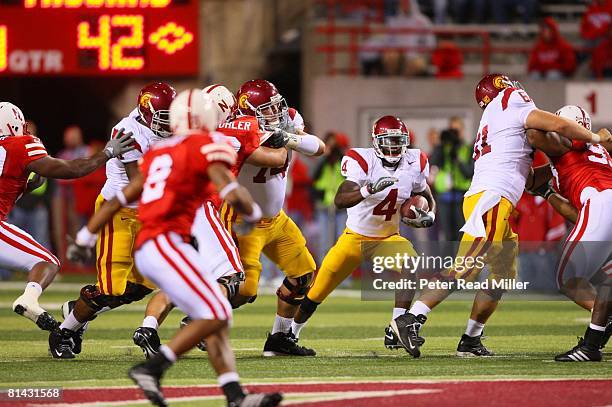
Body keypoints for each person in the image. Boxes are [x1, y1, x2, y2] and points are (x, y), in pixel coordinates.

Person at [68, 89, 282, 407]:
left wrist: (86, 235)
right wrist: (251, 214)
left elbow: (123, 196)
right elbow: (232, 190)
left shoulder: (158, 151)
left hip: (156, 245)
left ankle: (235, 395)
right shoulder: (206, 145)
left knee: (213, 314)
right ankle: (152, 368)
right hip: (164, 243)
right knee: (219, 309)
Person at [391, 74, 612, 358]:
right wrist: (595, 138)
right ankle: (411, 318)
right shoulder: (510, 100)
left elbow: (532, 173)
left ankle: (471, 339)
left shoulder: (495, 117)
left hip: (498, 197)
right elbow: (546, 128)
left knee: (503, 275)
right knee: (468, 266)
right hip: (492, 197)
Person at [127, 84, 289, 358]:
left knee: (174, 281)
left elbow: (131, 189)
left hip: (165, 217)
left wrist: (86, 235)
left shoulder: (163, 145)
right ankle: (198, 324)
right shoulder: (219, 139)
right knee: (232, 277)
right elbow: (260, 166)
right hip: (203, 211)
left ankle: (148, 326)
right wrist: (250, 213)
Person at [52, 82, 177, 359]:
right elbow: (139, 183)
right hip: (118, 211)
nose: (170, 124)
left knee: (141, 286)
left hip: (147, 211)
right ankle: (66, 330)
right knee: (110, 288)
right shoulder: (129, 130)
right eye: (164, 117)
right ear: (146, 113)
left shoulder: (165, 126)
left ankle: (78, 308)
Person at [292, 115, 436, 351]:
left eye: (398, 141)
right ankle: (291, 333)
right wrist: (368, 189)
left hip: (388, 238)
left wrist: (430, 215)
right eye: (388, 141)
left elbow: (426, 194)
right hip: (355, 238)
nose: (394, 146)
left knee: (410, 265)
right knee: (316, 292)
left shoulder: (416, 160)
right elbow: (340, 200)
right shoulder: (361, 159)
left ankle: (396, 327)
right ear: (376, 142)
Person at [0, 101, 134, 333]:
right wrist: (107, 153)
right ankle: (29, 300)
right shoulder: (19, 144)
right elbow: (72, 169)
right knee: (47, 262)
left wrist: (26, 186)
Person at [220, 79, 326, 356]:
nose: (275, 112)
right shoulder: (238, 130)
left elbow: (319, 147)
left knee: (303, 274)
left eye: (275, 105)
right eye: (266, 109)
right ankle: (198, 318)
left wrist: (290, 137)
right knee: (245, 289)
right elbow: (275, 159)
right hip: (244, 220)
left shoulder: (286, 119)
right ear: (248, 112)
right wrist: (283, 141)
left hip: (276, 218)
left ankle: (279, 338)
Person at [526, 105, 612, 361]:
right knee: (605, 276)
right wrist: (546, 192)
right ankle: (598, 330)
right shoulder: (594, 154)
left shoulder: (573, 142)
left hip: (600, 203)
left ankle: (593, 342)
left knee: (568, 279)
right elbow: (579, 215)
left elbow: (533, 134)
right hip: (600, 207)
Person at [430, 117, 473, 241]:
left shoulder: (467, 148)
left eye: (457, 131)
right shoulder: (443, 148)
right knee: (447, 236)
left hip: (461, 196)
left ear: (462, 131)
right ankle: (448, 260)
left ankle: (462, 260)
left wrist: (457, 159)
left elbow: (469, 172)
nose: (454, 134)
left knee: (462, 233)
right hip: (444, 197)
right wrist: (441, 145)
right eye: (452, 130)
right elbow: (433, 162)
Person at [313, 132, 350, 263]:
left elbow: (350, 179)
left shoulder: (343, 161)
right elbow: (313, 176)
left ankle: (343, 274)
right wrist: (325, 156)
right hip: (324, 205)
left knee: (342, 240)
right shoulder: (322, 161)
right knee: (324, 241)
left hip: (341, 206)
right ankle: (324, 270)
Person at [383, 0, 436, 77]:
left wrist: (422, 52)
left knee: (417, 64)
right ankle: (393, 80)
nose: (404, 6)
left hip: (417, 54)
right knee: (390, 57)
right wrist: (395, 48)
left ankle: (403, 81)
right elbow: (388, 41)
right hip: (399, 54)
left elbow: (431, 42)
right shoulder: (395, 21)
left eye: (406, 3)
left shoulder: (423, 21)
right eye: (402, 3)